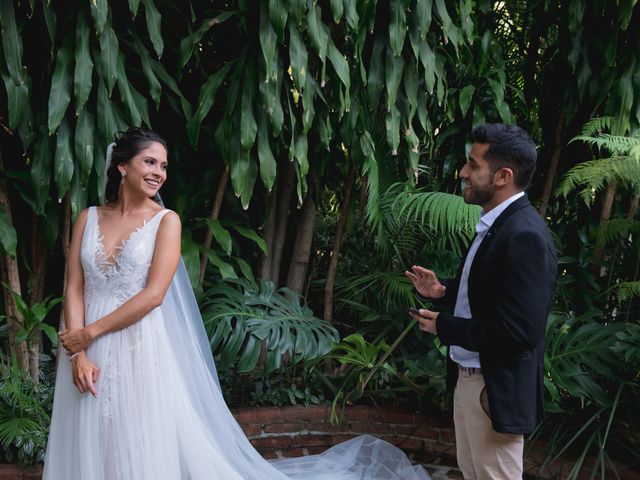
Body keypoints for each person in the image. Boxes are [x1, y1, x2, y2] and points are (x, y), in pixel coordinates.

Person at [44, 127, 430, 480]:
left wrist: (86, 334)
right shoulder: (88, 217)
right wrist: (79, 353)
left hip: (136, 344)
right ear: (122, 166)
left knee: (133, 435)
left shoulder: (166, 221)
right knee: (88, 432)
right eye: (149, 162)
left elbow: (154, 295)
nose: (158, 172)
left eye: (163, 165)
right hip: (84, 345)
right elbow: (75, 286)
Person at [405, 123, 557, 479]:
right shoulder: (499, 225)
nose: (463, 173)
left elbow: (519, 332)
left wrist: (444, 326)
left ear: (503, 175)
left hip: (494, 387)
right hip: (470, 379)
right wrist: (441, 292)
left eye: (473, 165)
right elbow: (489, 293)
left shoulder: (525, 235)